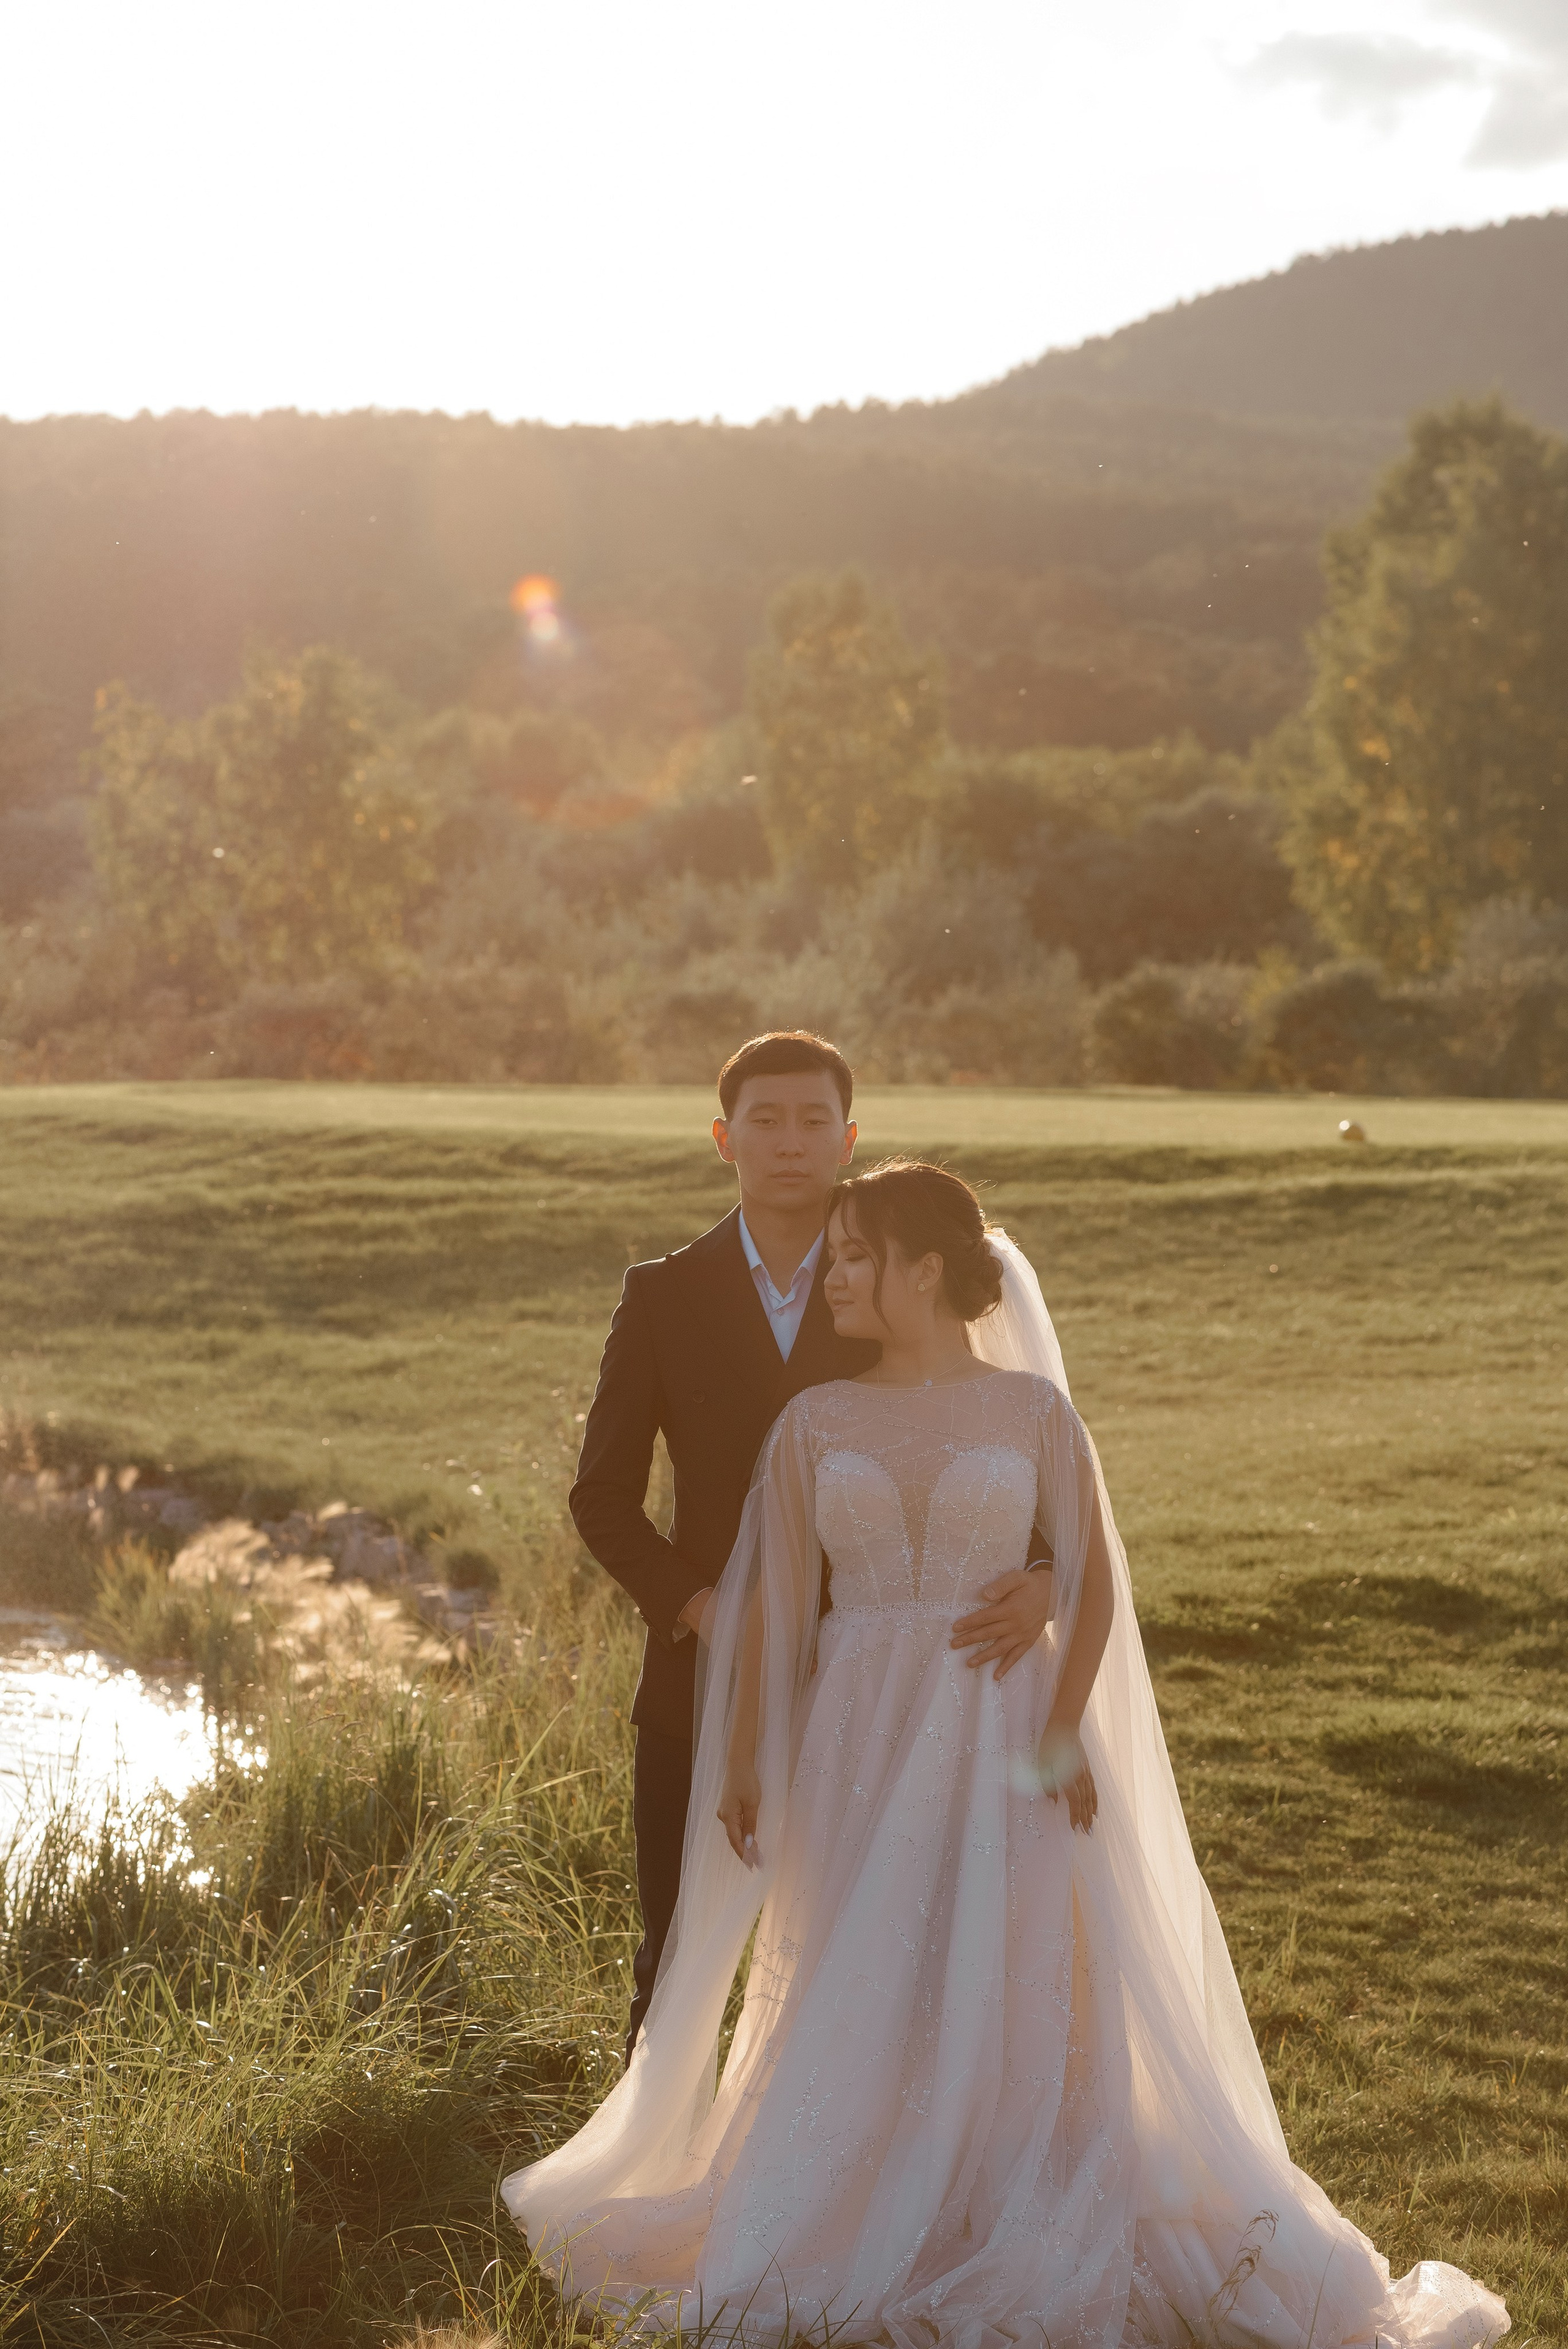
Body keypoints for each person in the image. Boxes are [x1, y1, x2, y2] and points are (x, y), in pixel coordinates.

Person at [508, 1161, 1508, 2349]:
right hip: (858, 1733)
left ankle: (1011, 2190)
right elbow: (771, 1603)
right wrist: (741, 1757)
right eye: (834, 1257)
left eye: (856, 1256)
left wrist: (1059, 1728)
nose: (834, 1277)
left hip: (1004, 1721)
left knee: (1015, 1955)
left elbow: (1091, 1581)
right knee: (866, 1961)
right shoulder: (815, 1420)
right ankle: (866, 2195)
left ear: (925, 1270)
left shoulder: (1032, 1412)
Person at [568, 1035, 1058, 2057]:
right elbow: (602, 1498)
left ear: (848, 1137)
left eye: (812, 1120)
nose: (790, 1142)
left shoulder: (895, 1275)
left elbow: (999, 1440)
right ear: (724, 1138)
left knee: (898, 1947)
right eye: (766, 1120)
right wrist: (705, 1609)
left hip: (903, 1682)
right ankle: (653, 2137)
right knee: (676, 1949)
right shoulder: (661, 1294)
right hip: (708, 1671)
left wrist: (1048, 1577)